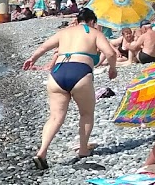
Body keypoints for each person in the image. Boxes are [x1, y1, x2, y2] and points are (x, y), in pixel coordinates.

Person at [22, 9, 119, 169]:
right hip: (79, 73)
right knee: (86, 113)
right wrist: (112, 69)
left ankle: (42, 152)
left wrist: (32, 59)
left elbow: (44, 47)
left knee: (55, 117)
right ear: (92, 21)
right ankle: (82, 149)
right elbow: (110, 53)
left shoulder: (64, 32)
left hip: (57, 73)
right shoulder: (94, 33)